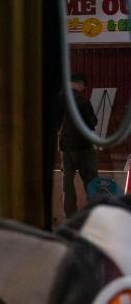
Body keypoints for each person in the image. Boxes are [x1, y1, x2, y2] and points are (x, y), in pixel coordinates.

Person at [59, 73, 99, 217]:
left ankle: (69, 218)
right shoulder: (82, 101)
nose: (83, 89)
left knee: (67, 185)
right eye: (83, 86)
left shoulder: (59, 99)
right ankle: (92, 216)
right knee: (91, 181)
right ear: (79, 83)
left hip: (65, 147)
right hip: (83, 147)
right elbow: (92, 122)